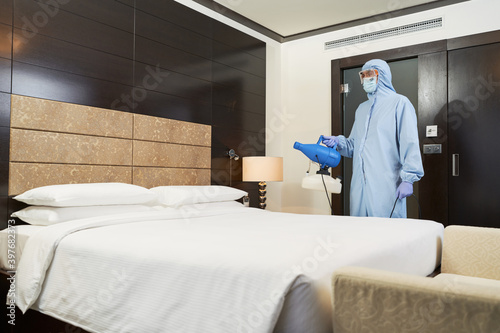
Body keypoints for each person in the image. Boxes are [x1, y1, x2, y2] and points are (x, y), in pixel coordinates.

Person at [323, 59, 423, 218]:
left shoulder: (399, 103)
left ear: (382, 75)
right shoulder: (362, 109)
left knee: (387, 232)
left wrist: (409, 178)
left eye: (370, 74)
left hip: (386, 185)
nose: (365, 78)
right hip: (359, 186)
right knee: (361, 233)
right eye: (363, 75)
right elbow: (354, 146)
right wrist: (338, 141)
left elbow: (409, 142)